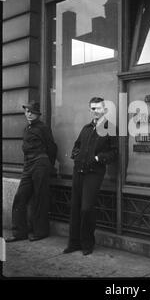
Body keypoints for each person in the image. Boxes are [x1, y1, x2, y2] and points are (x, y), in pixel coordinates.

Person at [63, 97, 117, 255]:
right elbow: (77, 145)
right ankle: (74, 243)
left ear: (105, 110)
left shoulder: (110, 128)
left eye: (98, 108)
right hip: (78, 171)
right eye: (93, 108)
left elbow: (114, 152)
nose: (95, 111)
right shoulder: (86, 128)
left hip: (94, 173)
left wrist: (97, 158)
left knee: (87, 208)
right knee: (75, 208)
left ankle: (87, 244)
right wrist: (76, 156)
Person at [6, 100, 57, 242]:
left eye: (31, 111)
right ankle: (19, 233)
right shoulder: (26, 128)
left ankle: (41, 232)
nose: (28, 114)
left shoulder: (43, 128)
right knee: (20, 197)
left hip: (40, 163)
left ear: (37, 114)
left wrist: (48, 165)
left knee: (41, 197)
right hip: (28, 165)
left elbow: (52, 147)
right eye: (26, 111)